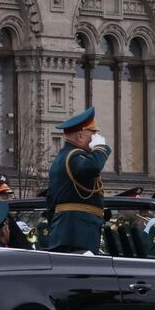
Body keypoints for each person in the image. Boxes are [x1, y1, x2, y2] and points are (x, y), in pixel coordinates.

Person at [45, 107, 111, 252]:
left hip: (69, 231)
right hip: (77, 233)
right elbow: (92, 167)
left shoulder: (64, 158)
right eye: (93, 134)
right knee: (80, 273)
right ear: (81, 136)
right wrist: (101, 148)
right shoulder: (74, 156)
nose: (96, 137)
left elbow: (50, 200)